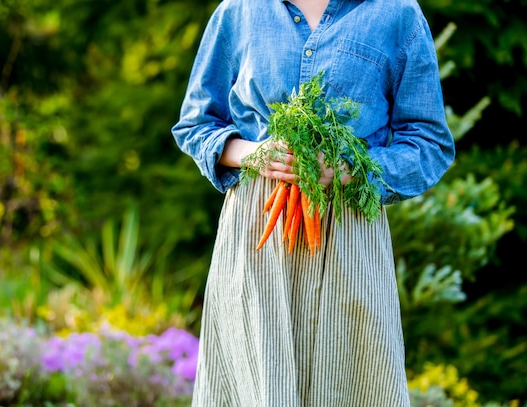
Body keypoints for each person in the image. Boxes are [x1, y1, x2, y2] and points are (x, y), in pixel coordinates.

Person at [171, 0, 455, 405]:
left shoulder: (396, 13)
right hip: (257, 236)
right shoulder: (239, 11)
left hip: (349, 232)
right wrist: (253, 153)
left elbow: (430, 143)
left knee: (355, 382)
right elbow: (197, 123)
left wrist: (348, 170)